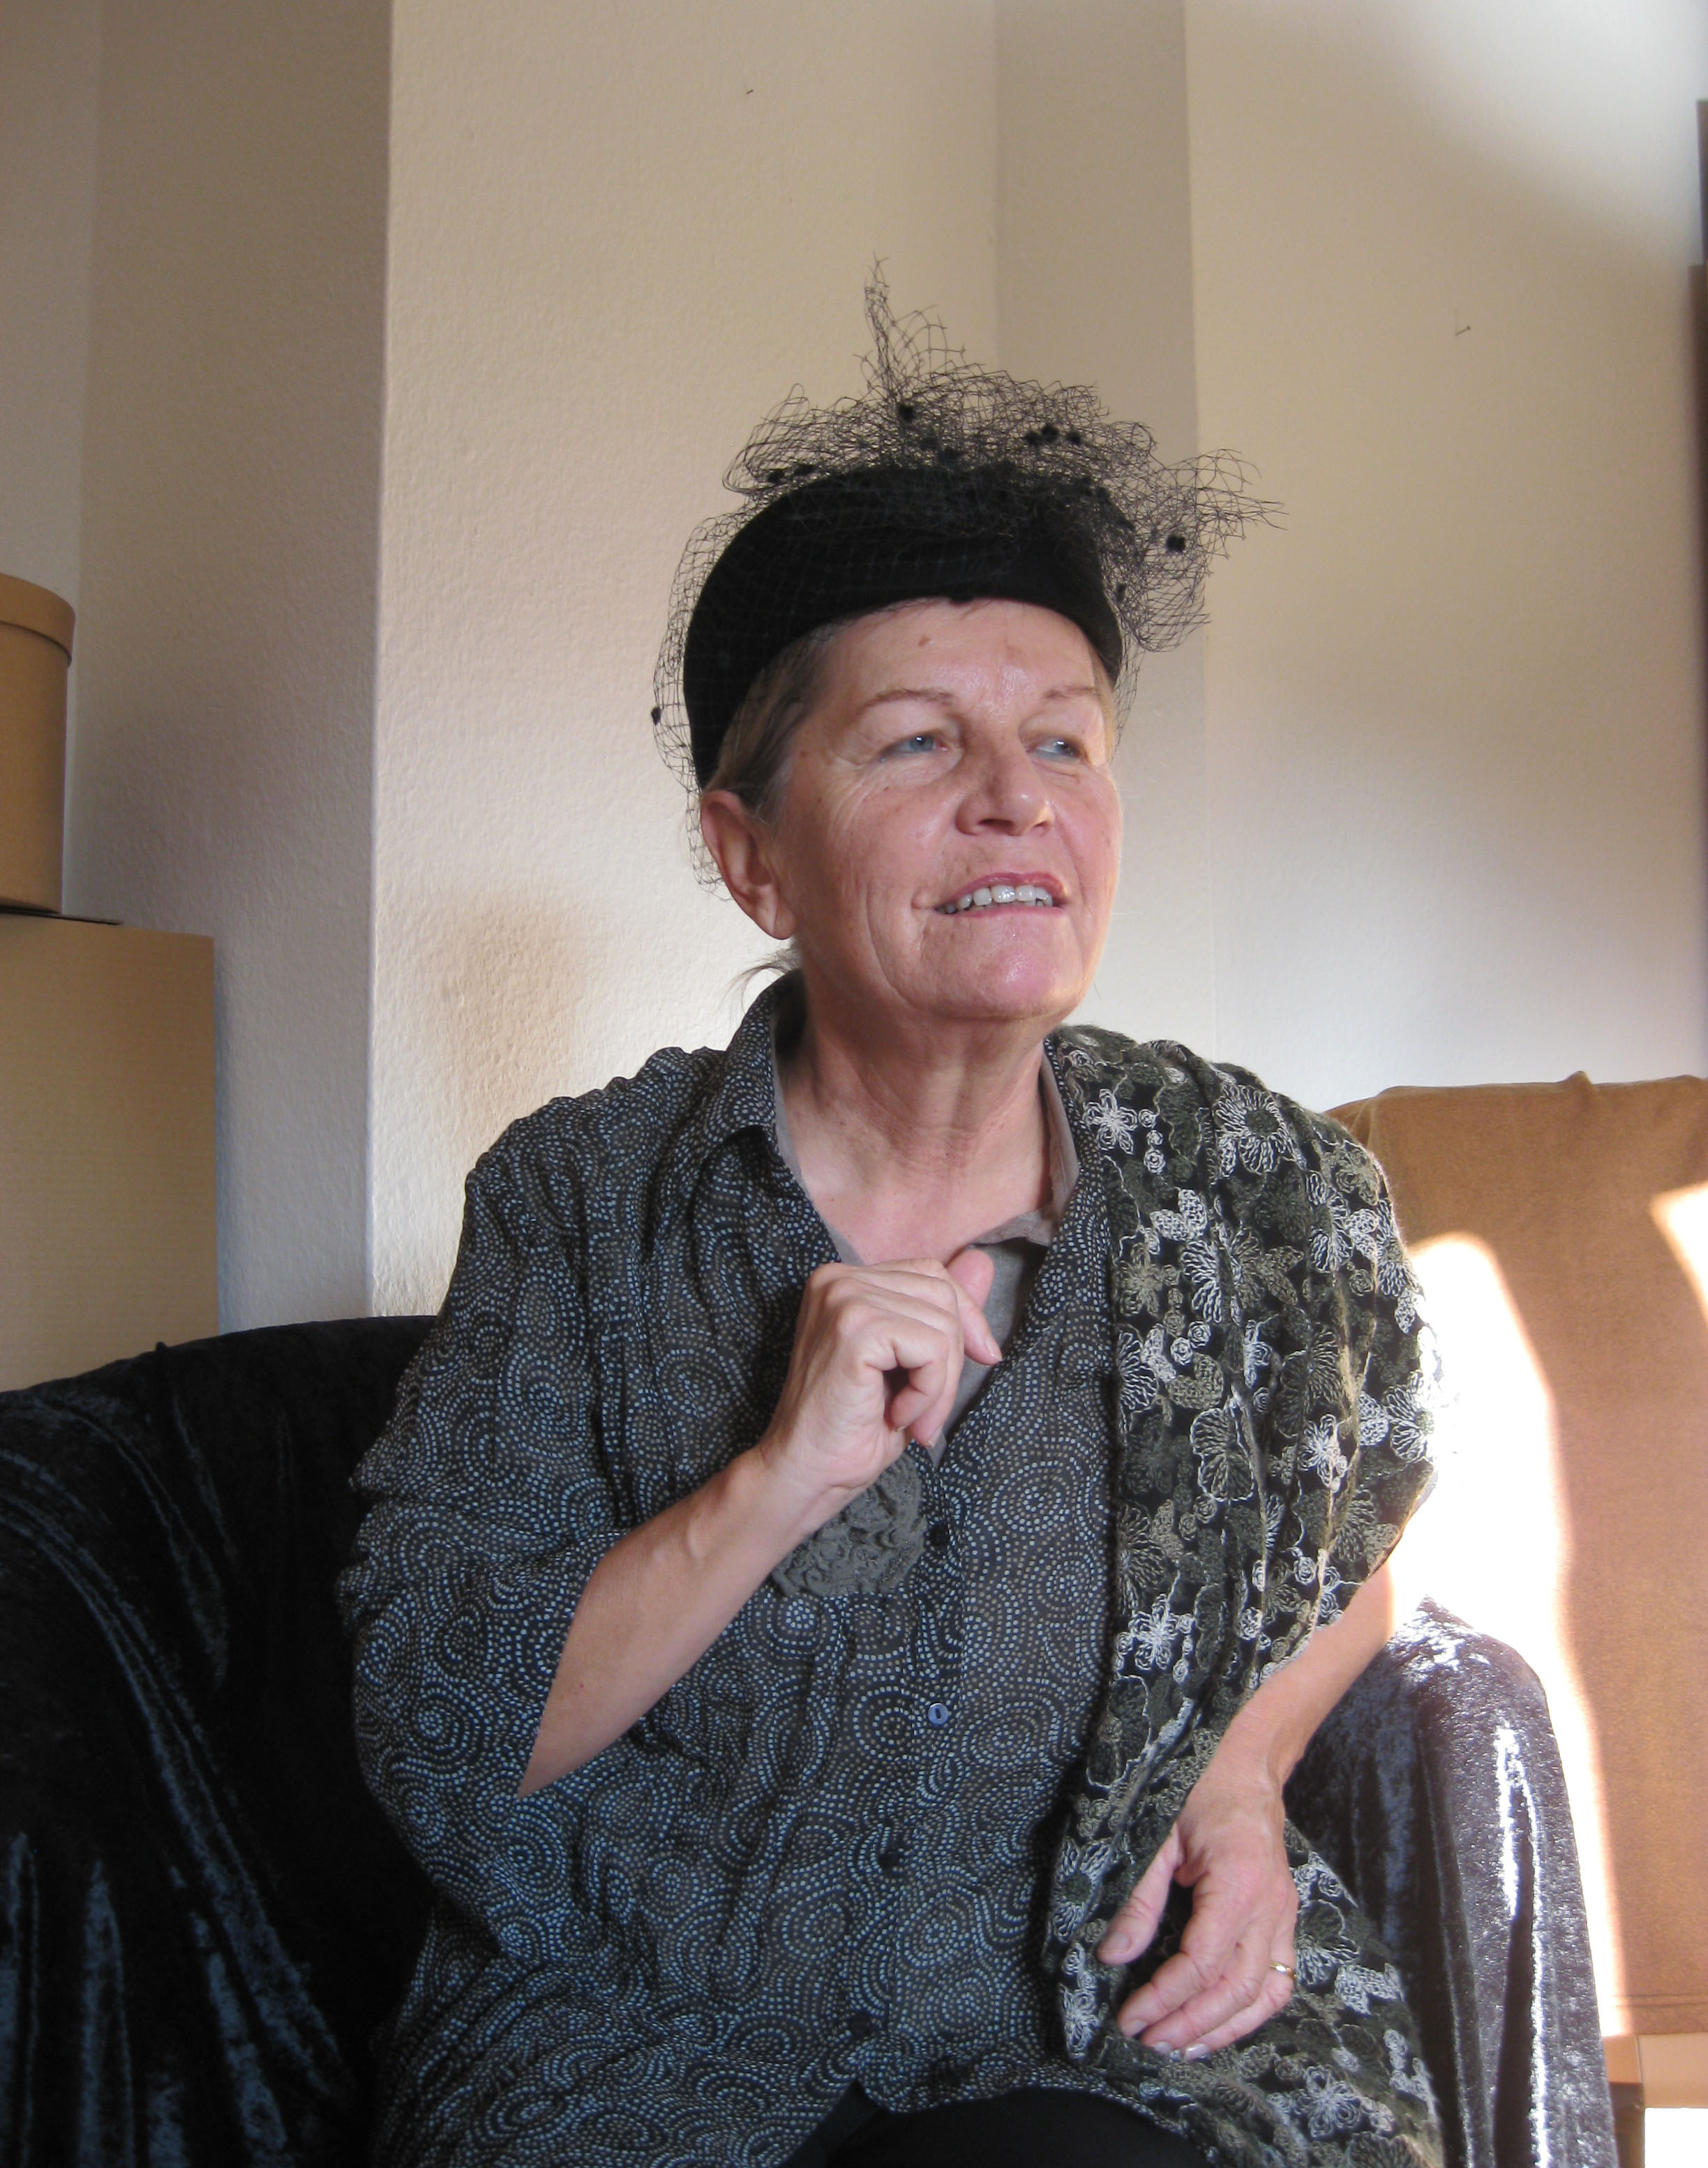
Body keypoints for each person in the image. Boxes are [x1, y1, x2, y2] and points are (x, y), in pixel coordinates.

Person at [340, 284, 1442, 2168]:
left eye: (1066, 744)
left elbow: (1356, 1544)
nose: (1016, 802)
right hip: (641, 2034)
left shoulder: (1258, 1189)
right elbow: (443, 1732)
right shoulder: (583, 1205)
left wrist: (1241, 1780)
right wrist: (776, 1478)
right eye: (919, 744)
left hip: (1100, 2021)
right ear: (752, 854)